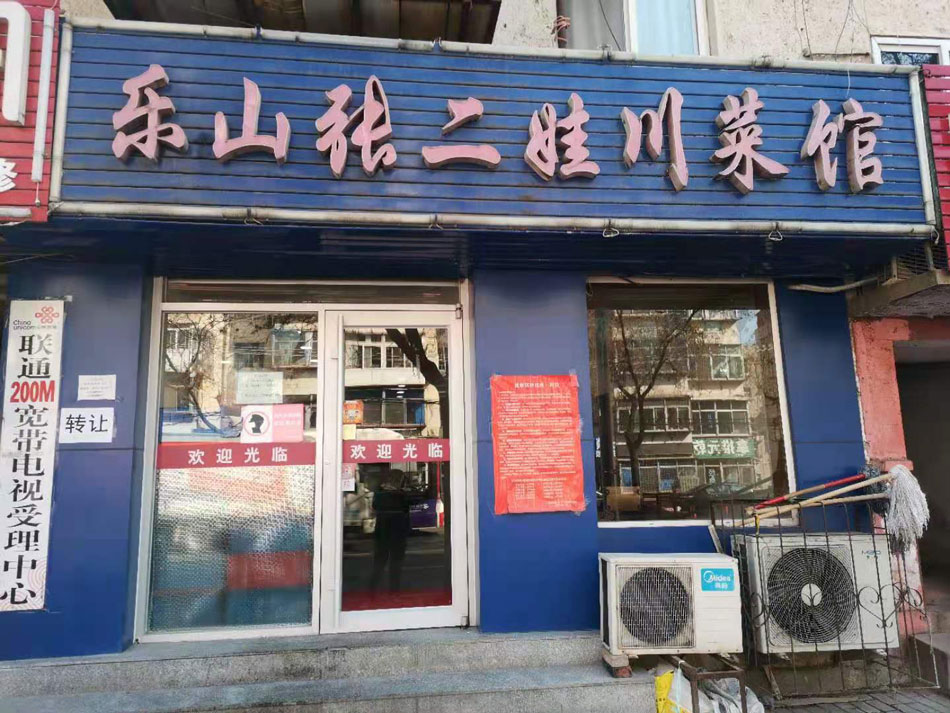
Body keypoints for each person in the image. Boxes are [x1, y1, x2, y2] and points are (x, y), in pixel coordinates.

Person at [370, 467, 411, 593]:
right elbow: (406, 507)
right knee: (396, 563)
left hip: (382, 529)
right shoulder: (401, 495)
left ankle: (372, 589)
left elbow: (375, 506)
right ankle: (394, 590)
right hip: (398, 530)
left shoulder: (379, 493)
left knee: (379, 561)